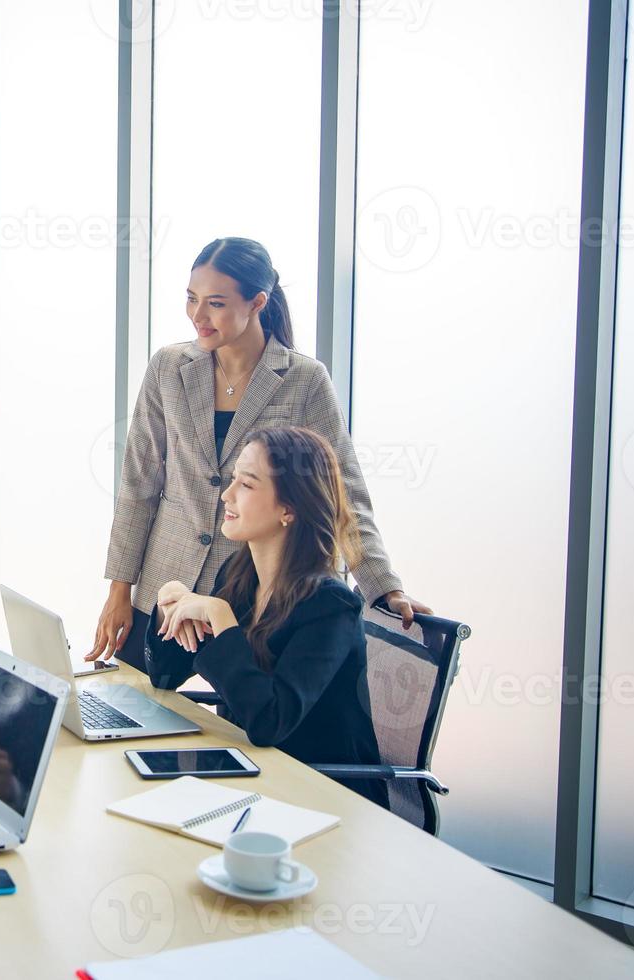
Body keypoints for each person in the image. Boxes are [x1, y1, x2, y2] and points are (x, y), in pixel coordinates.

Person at [90, 236, 430, 686]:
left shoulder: (304, 380)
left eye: (215, 303)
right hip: (165, 589)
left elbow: (342, 492)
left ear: (257, 302)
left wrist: (383, 587)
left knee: (249, 725)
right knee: (131, 711)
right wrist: (120, 589)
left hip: (255, 598)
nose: (198, 315)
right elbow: (138, 487)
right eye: (191, 299)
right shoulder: (168, 368)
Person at [146, 426, 388, 808]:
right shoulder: (239, 575)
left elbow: (269, 722)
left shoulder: (329, 606)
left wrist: (218, 614)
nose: (226, 495)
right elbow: (163, 676)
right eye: (233, 480)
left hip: (324, 798)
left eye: (247, 484)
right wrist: (168, 606)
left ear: (289, 508)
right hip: (254, 779)